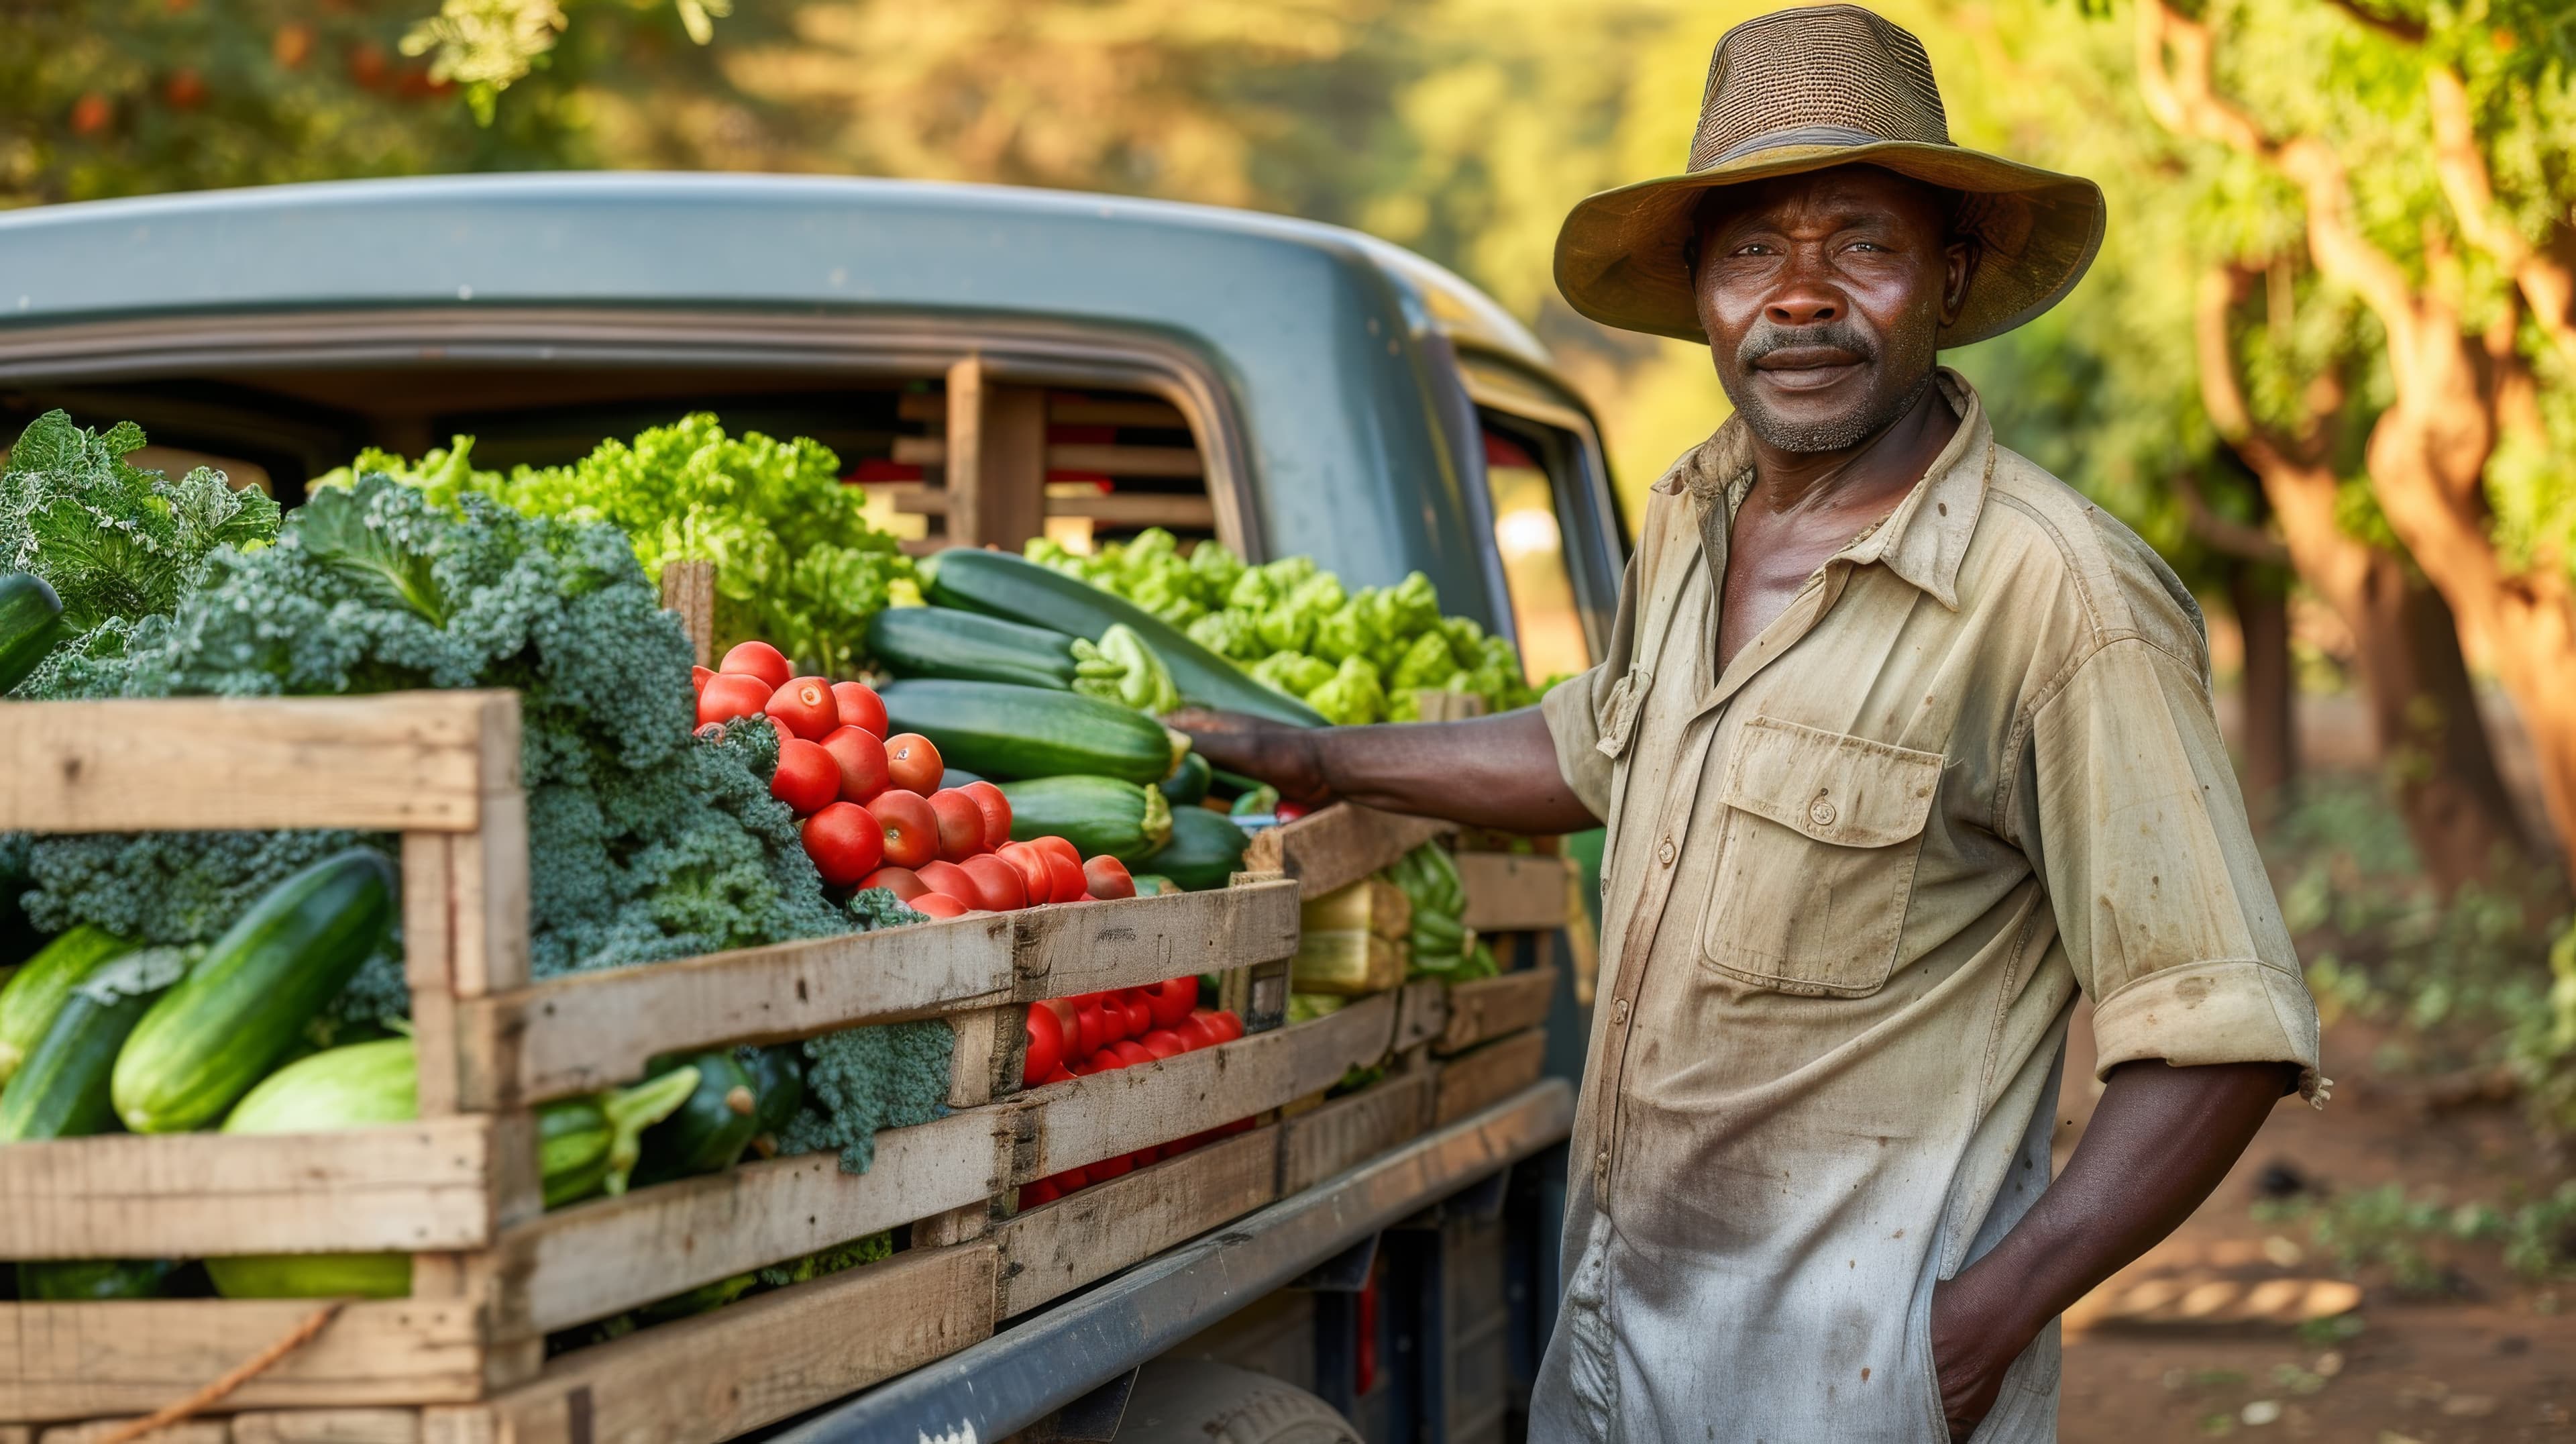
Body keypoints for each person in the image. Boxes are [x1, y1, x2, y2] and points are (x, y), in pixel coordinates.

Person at [1179, 7, 2326, 1441]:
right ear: (1701, 292)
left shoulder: (2057, 594)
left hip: (1852, 1397)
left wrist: (1971, 1332)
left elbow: (2221, 1030)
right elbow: (1599, 747)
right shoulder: (1697, 520)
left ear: (1949, 278)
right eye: (1749, 250)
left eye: (1862, 241)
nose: (1798, 294)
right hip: (1611, 1364)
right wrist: (1315, 757)